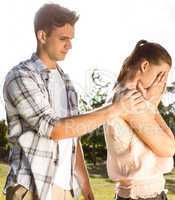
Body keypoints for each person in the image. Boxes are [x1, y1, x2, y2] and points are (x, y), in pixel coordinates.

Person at [2, 4, 144, 200]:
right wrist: (114, 109)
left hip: (66, 189)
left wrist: (85, 184)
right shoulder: (20, 77)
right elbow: (53, 129)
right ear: (42, 36)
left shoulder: (66, 83)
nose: (69, 45)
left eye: (71, 39)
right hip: (31, 188)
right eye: (63, 39)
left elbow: (72, 136)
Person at [103, 40, 175, 200]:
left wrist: (150, 104)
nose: (162, 83)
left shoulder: (122, 93)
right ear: (144, 66)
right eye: (161, 75)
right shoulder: (129, 100)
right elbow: (169, 148)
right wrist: (153, 105)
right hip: (142, 196)